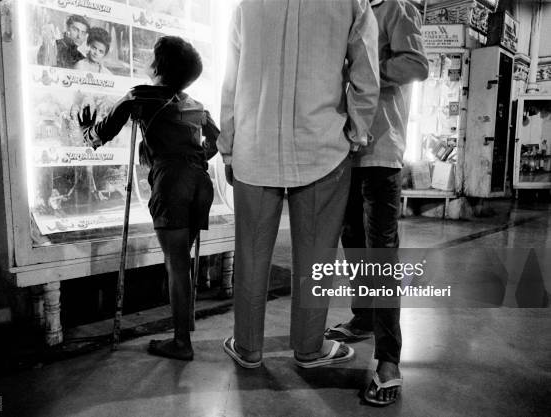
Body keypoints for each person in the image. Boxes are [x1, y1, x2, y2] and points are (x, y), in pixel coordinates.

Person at [219, 0, 379, 369]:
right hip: (321, 147)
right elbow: (366, 76)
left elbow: (232, 81)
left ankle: (248, 348)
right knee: (316, 254)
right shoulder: (352, 3)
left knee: (251, 252)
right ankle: (309, 349)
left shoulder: (248, 5)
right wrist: (356, 132)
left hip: (253, 147)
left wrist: (228, 148)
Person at [79, 36, 220, 361]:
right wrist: (187, 156)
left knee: (175, 265)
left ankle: (181, 343)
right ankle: (184, 328)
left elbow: (99, 135)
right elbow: (215, 142)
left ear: (156, 66)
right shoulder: (197, 105)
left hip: (171, 184)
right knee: (182, 262)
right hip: (200, 182)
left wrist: (87, 132)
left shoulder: (139, 95)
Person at [324, 0, 429, 406]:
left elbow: (416, 64)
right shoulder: (347, 8)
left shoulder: (397, 8)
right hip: (343, 149)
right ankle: (364, 317)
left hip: (381, 152)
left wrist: (369, 71)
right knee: (352, 240)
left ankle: (389, 361)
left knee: (380, 251)